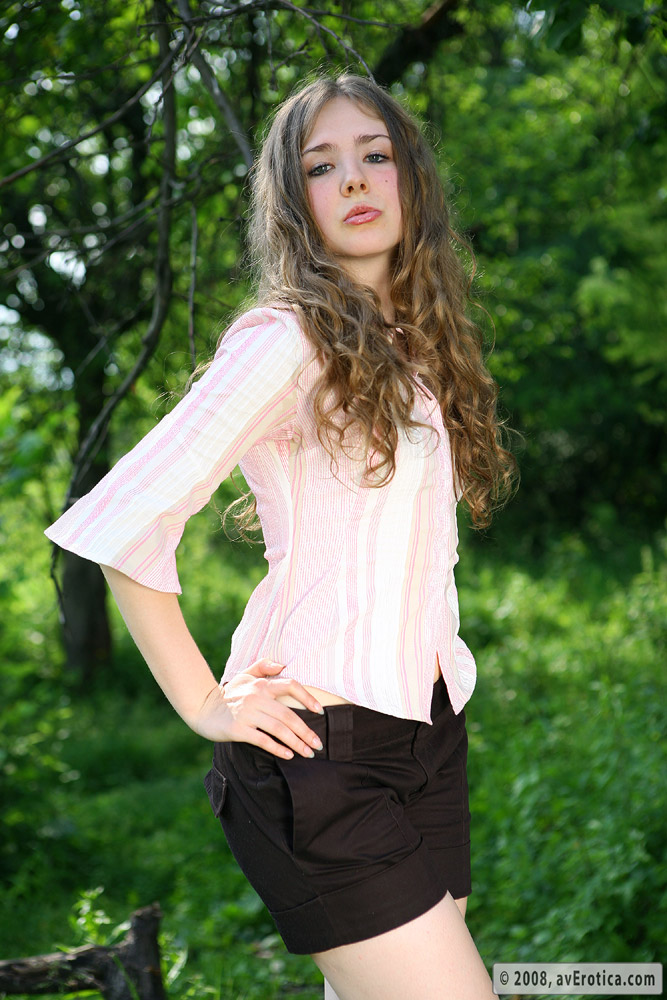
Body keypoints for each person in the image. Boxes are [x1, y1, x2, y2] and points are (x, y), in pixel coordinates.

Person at [46, 71, 515, 1000]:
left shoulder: (419, 344)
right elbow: (126, 517)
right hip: (318, 754)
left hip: (427, 737)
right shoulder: (286, 339)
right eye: (320, 165)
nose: (354, 179)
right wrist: (203, 703)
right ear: (293, 200)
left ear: (412, 178)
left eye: (374, 155)